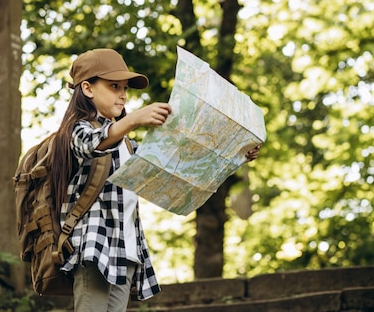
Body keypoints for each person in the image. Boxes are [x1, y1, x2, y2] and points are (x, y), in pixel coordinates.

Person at [50, 48, 260, 312]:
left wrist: (237, 154)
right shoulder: (77, 129)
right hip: (95, 245)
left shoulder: (126, 144)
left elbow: (176, 165)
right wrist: (135, 119)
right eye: (113, 86)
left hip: (125, 246)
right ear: (87, 89)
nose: (123, 94)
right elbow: (94, 143)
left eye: (125, 87)